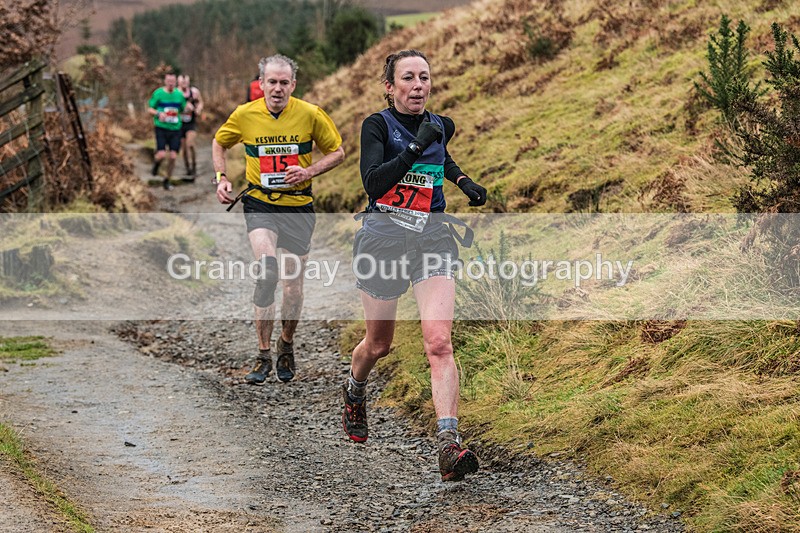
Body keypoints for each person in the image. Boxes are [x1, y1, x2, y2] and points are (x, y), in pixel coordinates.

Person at [342, 49, 487, 482]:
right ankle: (354, 387)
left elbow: (441, 157)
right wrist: (416, 146)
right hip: (383, 241)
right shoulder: (376, 126)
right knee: (378, 344)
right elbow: (373, 182)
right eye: (408, 78)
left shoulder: (439, 125)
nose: (418, 85)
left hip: (432, 239)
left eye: (424, 77)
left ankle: (449, 446)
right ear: (391, 87)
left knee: (439, 342)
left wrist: (464, 183)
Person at [213, 54, 345, 384]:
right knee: (267, 268)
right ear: (260, 84)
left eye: (284, 82)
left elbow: (338, 151)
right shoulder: (245, 115)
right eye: (271, 82)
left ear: (293, 85)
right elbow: (219, 142)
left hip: (298, 206)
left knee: (294, 290)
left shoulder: (310, 114)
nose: (277, 88)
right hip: (260, 203)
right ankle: (262, 353)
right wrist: (221, 178)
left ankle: (286, 345)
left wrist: (309, 170)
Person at [148, 73, 186, 190]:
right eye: (168, 81)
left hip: (175, 129)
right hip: (161, 128)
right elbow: (150, 109)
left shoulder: (179, 95)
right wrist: (159, 114)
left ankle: (167, 179)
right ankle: (156, 164)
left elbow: (183, 109)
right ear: (165, 81)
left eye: (172, 81)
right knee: (161, 154)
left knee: (173, 156)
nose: (170, 83)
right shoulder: (158, 93)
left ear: (175, 82)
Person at [177, 74, 204, 178]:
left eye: (186, 82)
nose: (184, 84)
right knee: (184, 148)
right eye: (182, 82)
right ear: (178, 83)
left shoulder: (194, 92)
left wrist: (198, 109)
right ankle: (187, 168)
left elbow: (200, 102)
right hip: (179, 124)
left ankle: (194, 167)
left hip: (191, 123)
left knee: (190, 144)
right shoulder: (176, 93)